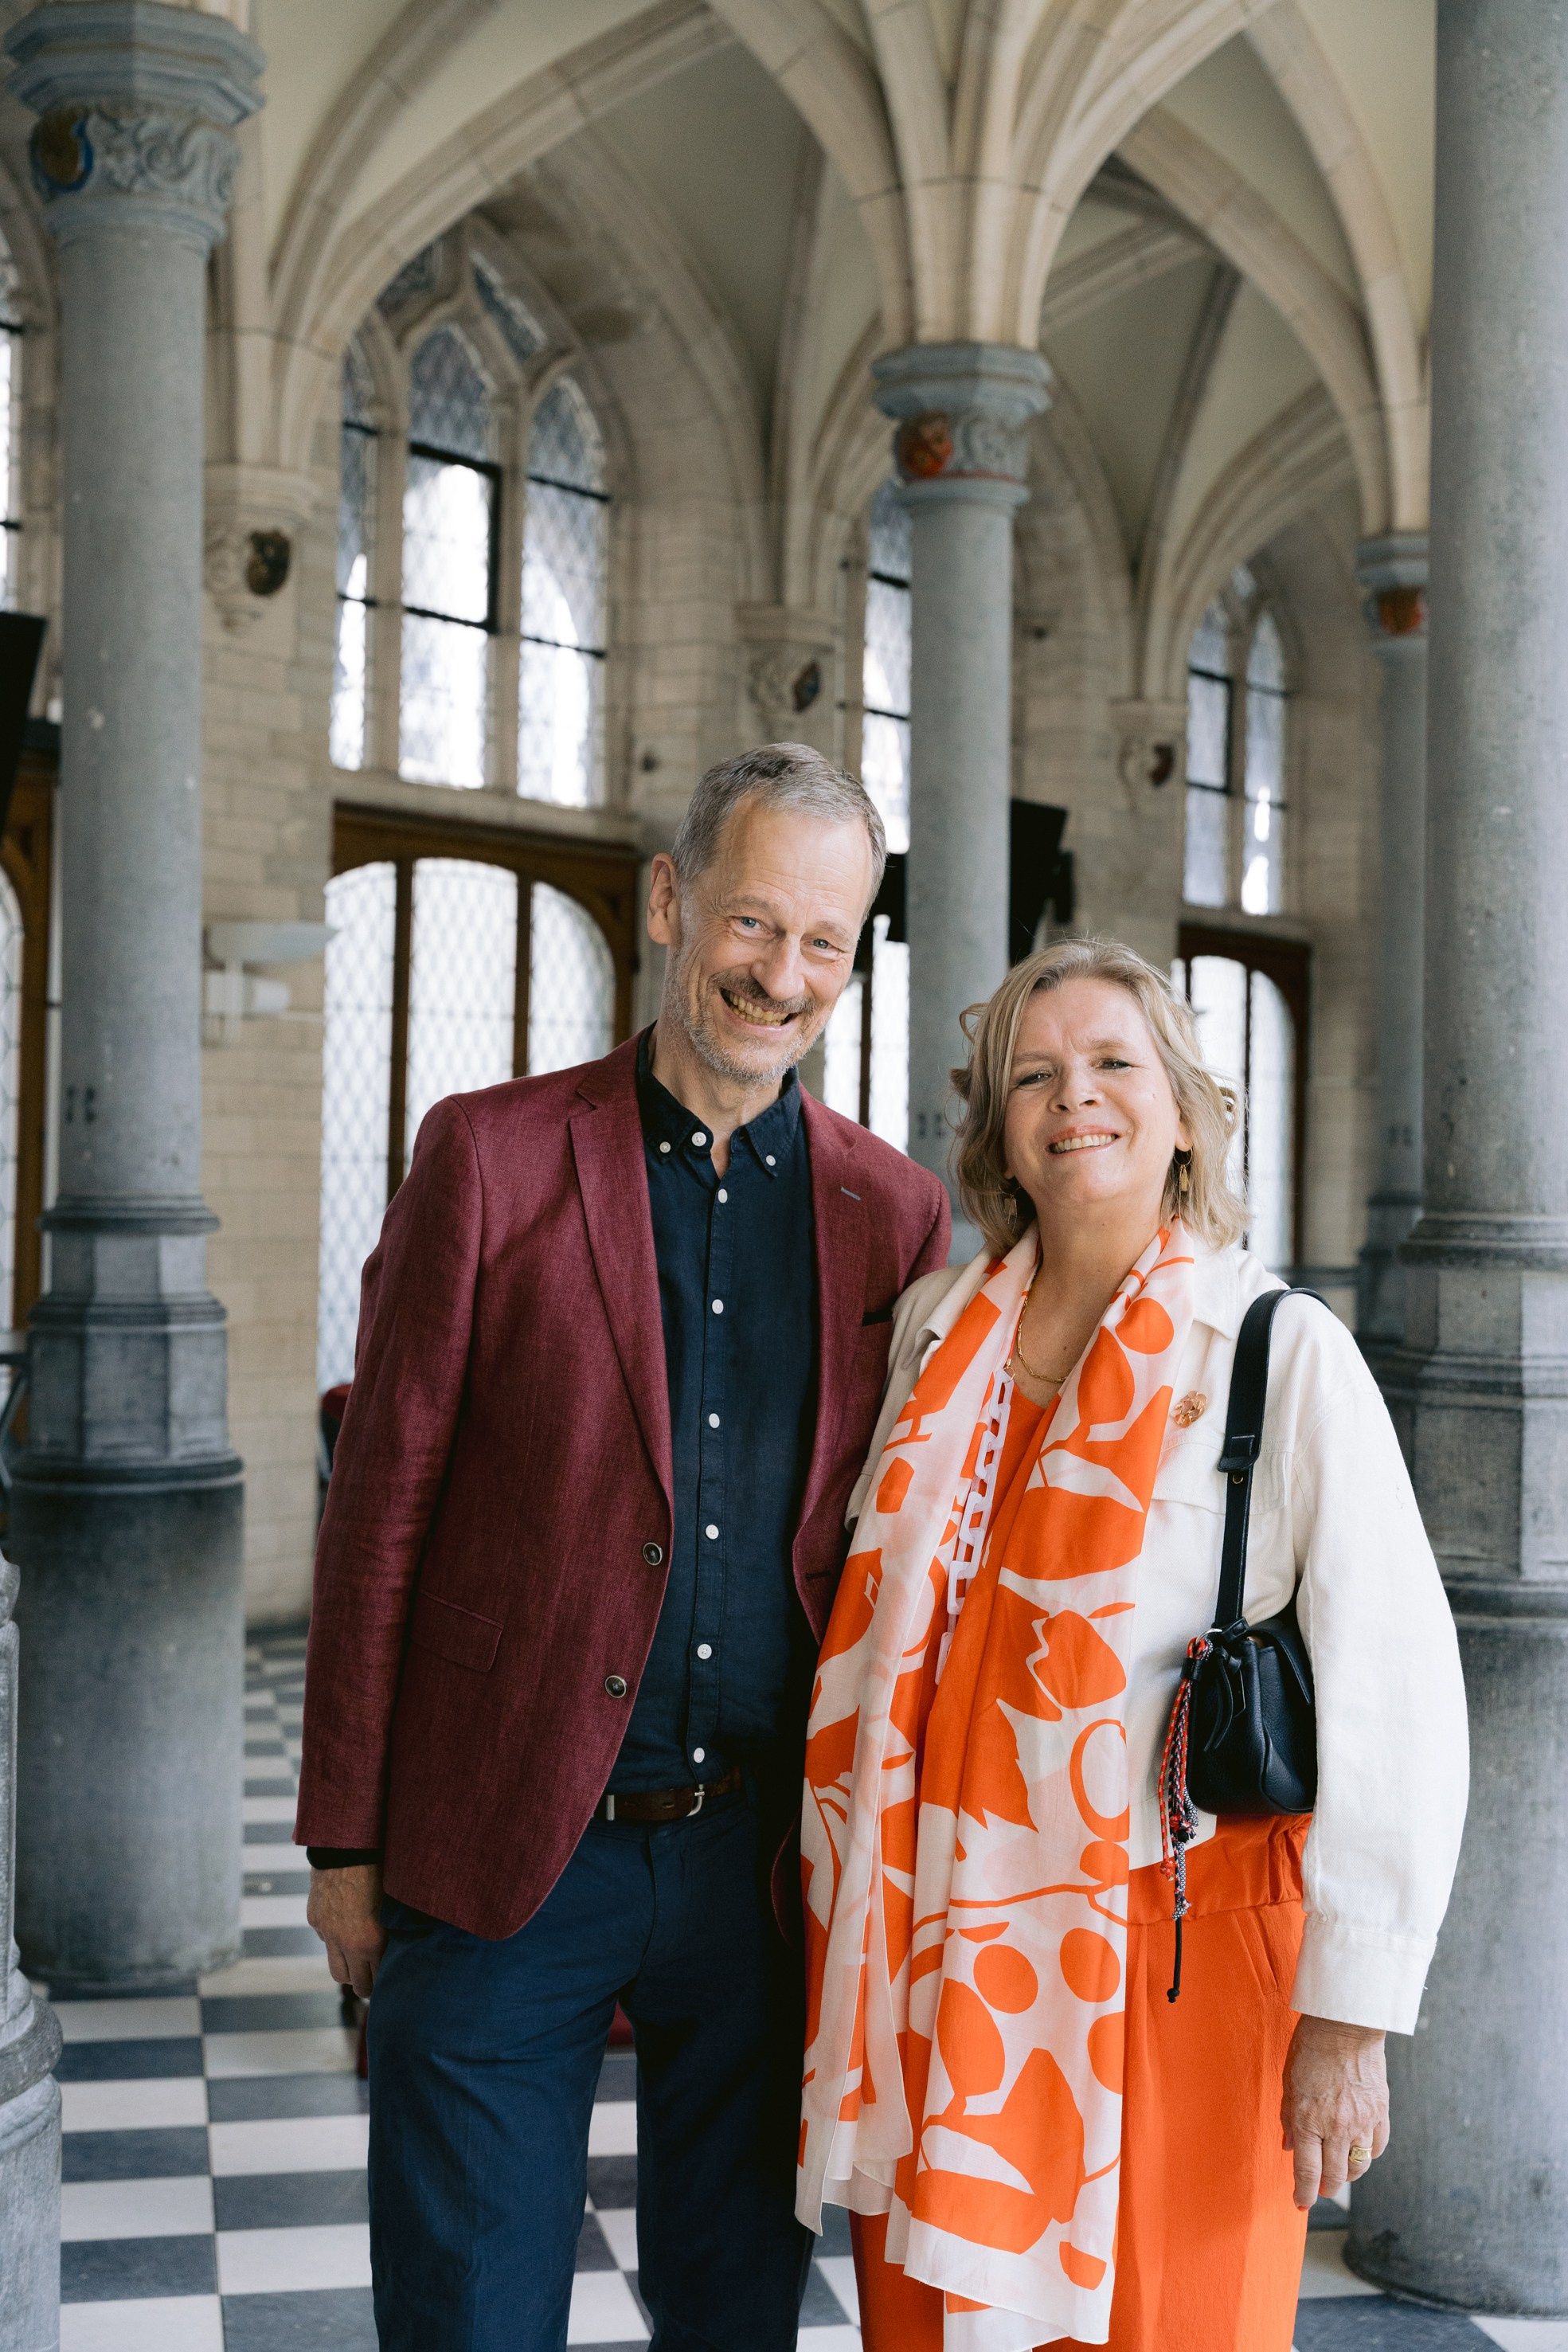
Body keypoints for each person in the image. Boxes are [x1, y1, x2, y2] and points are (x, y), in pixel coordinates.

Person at [295, 742, 950, 2352]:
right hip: (508, 1840)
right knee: (464, 2310)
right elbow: (380, 1512)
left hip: (762, 1866)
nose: (778, 973)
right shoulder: (492, 1155)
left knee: (734, 2317)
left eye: (820, 943)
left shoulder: (895, 1214)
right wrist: (342, 1851)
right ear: (671, 904)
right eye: (750, 922)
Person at [796, 937, 1468, 2352]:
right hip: (936, 1940)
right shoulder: (937, 1330)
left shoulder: (1274, 1348)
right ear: (999, 1125)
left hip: (1181, 1941)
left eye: (1112, 1064)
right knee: (934, 2323)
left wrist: (1347, 2022)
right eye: (1033, 1074)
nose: (1072, 1098)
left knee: (1168, 2324)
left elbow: (1396, 1689)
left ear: (1183, 1109)